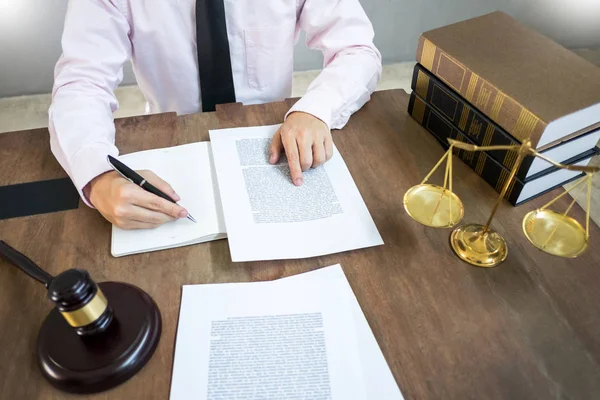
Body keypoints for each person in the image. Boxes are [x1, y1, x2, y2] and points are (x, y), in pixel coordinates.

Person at [49, 0, 382, 230]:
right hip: (174, 139)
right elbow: (82, 82)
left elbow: (357, 51)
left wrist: (316, 109)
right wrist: (97, 176)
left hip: (272, 141)